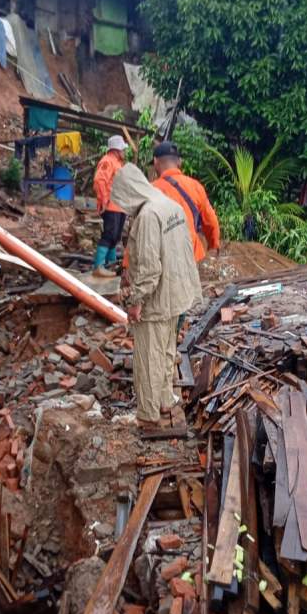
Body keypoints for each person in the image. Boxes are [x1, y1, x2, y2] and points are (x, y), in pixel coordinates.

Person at [110, 163, 202, 434]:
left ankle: (148, 415)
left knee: (149, 357)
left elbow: (150, 268)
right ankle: (164, 401)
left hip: (158, 297)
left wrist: (136, 301)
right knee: (165, 352)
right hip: (177, 292)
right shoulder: (167, 204)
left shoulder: (148, 215)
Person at [151, 141, 221, 263]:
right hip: (193, 257)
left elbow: (139, 231)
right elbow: (211, 222)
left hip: (163, 260)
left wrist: (127, 265)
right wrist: (214, 245)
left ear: (155, 162)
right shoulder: (196, 186)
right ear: (179, 162)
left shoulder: (151, 190)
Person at [92, 135, 128, 276]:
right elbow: (99, 181)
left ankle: (110, 265)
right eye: (123, 149)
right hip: (112, 206)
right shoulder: (108, 161)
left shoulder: (117, 163)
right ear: (117, 149)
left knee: (115, 237)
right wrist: (104, 201)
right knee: (109, 235)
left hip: (119, 206)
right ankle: (98, 267)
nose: (124, 152)